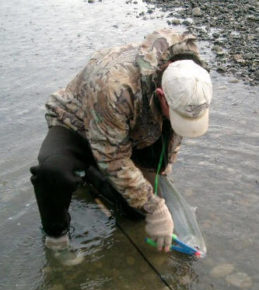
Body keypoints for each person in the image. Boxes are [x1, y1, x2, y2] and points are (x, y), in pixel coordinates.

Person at [30, 28, 212, 252]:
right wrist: (155, 208)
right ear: (161, 95)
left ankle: (98, 177)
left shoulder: (191, 74)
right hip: (77, 124)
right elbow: (113, 158)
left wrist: (164, 172)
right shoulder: (115, 87)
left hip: (132, 126)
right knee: (54, 172)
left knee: (136, 213)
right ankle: (56, 239)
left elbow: (175, 130)